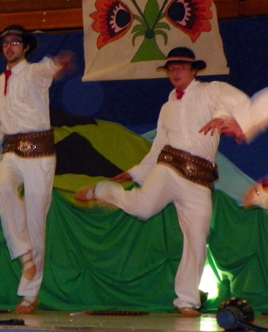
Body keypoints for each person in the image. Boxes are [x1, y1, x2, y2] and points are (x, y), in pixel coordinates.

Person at [75, 47, 250, 317]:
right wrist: (135, 173)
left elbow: (233, 99)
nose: (175, 72)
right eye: (171, 69)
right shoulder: (168, 107)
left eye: (180, 67)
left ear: (194, 70)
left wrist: (223, 116)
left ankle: (187, 301)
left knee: (197, 238)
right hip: (168, 168)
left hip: (200, 180)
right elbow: (158, 146)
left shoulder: (210, 91)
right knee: (143, 209)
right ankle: (105, 190)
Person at [0, 25, 74, 314]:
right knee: (4, 186)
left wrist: (58, 64)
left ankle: (30, 294)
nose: (10, 47)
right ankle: (24, 254)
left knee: (36, 218)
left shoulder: (34, 72)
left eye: (15, 42)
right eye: (6, 43)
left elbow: (48, 70)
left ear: (24, 47)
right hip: (12, 152)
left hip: (40, 155)